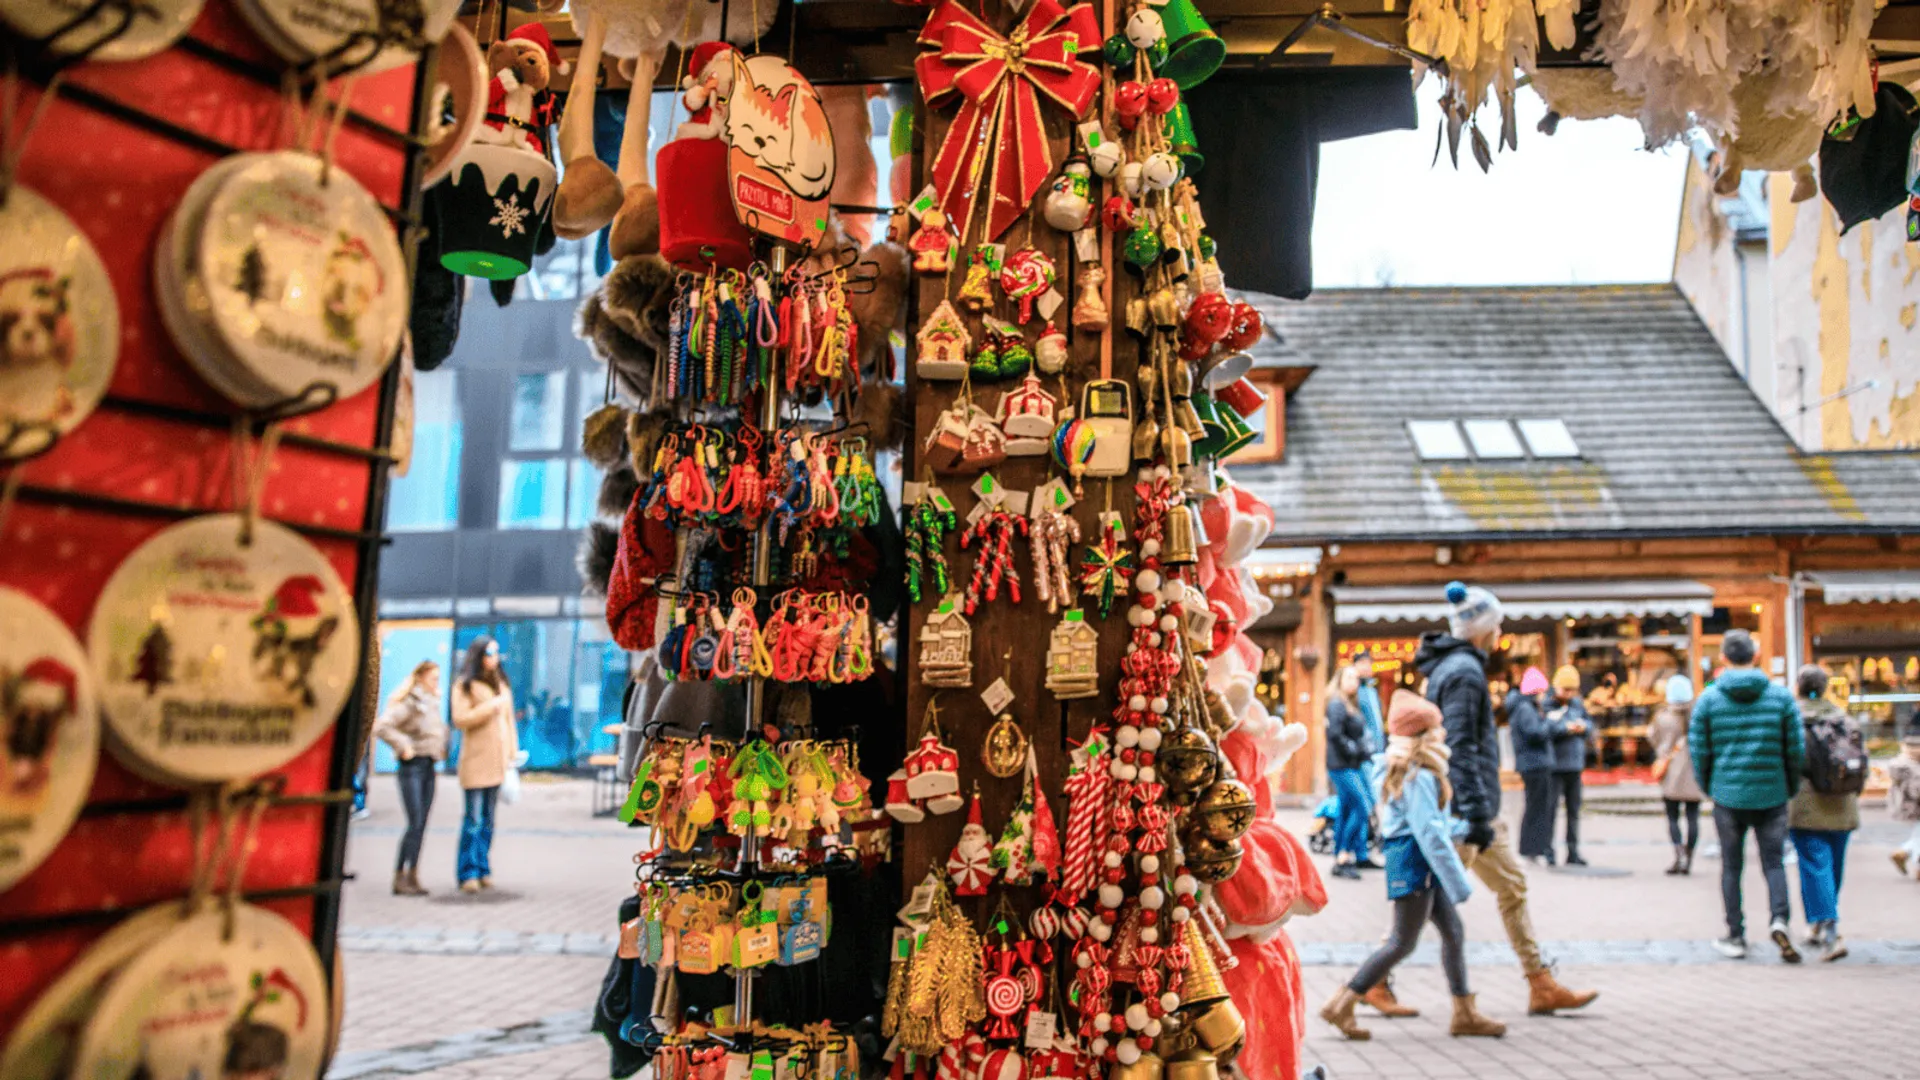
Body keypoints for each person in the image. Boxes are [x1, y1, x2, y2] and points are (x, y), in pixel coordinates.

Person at [1417, 581, 1598, 1016]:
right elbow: (1460, 745)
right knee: (1424, 901)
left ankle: (1541, 982)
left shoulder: (1455, 668)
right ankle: (1367, 984)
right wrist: (1475, 811)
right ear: (1483, 628)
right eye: (1496, 624)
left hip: (1470, 805)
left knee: (1509, 887)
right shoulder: (1463, 672)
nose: (1501, 632)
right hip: (1467, 809)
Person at [1320, 692, 1505, 1040]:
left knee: (1452, 931)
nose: (1443, 735)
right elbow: (1428, 831)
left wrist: (1466, 830)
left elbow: (1428, 823)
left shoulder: (1414, 770)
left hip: (1414, 859)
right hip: (1415, 862)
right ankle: (1342, 1003)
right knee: (1402, 941)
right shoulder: (1418, 774)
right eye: (1437, 729)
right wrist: (1459, 882)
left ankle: (1464, 1011)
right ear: (1423, 735)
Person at [1688, 628, 1806, 962]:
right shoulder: (1780, 697)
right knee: (1774, 862)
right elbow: (1796, 747)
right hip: (1772, 793)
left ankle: (1735, 934)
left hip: (1728, 795)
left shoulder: (1709, 699)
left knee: (1731, 866)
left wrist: (1709, 785)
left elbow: (1699, 749)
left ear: (1724, 657)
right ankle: (1780, 919)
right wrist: (1790, 784)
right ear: (1755, 656)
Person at [1786, 665, 1859, 961]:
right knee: (1831, 868)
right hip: (1842, 803)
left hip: (1806, 805)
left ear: (1799, 687)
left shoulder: (1794, 719)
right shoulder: (1842, 717)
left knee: (1815, 866)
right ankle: (1817, 923)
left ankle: (1830, 929)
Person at [374, 659, 447, 896]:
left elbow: (435, 729)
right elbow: (383, 726)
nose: (437, 682)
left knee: (422, 823)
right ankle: (399, 876)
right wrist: (403, 745)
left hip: (429, 765)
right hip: (411, 767)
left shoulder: (431, 701)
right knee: (414, 822)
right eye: (433, 677)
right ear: (420, 678)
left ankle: (413, 873)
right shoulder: (410, 702)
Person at [452, 637, 519, 894]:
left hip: (498, 762)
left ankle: (483, 867)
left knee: (489, 820)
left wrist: (512, 752)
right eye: (491, 652)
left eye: (498, 651)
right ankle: (467, 872)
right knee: (473, 820)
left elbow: (509, 722)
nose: (495, 657)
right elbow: (460, 719)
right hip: (475, 763)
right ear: (479, 655)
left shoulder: (502, 684)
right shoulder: (465, 685)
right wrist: (490, 706)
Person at [1647, 675, 1704, 875]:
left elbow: (1652, 737)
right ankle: (1689, 856)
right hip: (1694, 774)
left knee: (1672, 817)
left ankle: (1678, 853)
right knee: (1693, 817)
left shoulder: (1662, 717)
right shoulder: (1698, 716)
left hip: (1671, 773)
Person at [1324, 665, 1373, 879]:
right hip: (1341, 765)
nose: (1354, 681)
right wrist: (1353, 748)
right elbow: (1334, 733)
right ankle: (1344, 852)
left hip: (1350, 764)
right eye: (1349, 677)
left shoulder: (1350, 703)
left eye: (1356, 678)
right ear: (1340, 679)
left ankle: (1341, 857)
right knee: (1363, 807)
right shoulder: (1336, 703)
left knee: (1345, 810)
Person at [1545, 666, 1596, 866]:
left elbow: (1589, 724)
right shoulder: (1547, 705)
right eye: (1565, 689)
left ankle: (1573, 851)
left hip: (1575, 765)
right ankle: (1548, 850)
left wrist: (1583, 727)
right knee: (1551, 811)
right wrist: (1565, 728)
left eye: (1572, 690)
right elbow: (1546, 729)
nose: (1569, 694)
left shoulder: (1577, 705)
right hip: (1555, 766)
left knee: (1574, 811)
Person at [1507, 667, 1557, 866]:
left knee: (1536, 807)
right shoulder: (1525, 708)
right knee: (1536, 808)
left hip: (1533, 763)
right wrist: (1551, 724)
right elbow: (1534, 733)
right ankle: (1531, 848)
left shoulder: (1523, 707)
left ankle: (1533, 848)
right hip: (1534, 764)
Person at [1888, 725, 1920, 879]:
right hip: (1916, 803)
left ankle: (1905, 852)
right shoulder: (1915, 766)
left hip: (1908, 805)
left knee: (1918, 832)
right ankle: (1912, 858)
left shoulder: (1902, 762)